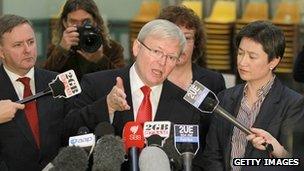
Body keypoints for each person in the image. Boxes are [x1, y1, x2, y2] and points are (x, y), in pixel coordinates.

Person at [66, 19, 202, 169]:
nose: (162, 62)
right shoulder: (97, 85)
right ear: (137, 47)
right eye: (156, 52)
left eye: (171, 57)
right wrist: (108, 106)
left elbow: (195, 162)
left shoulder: (185, 105)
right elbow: (68, 132)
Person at [202, 21, 304, 171]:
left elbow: (297, 163)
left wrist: (280, 152)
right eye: (241, 53)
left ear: (274, 61)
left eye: (252, 56)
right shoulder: (225, 97)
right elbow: (212, 155)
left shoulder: (293, 103)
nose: (242, 62)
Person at [0, 14, 72, 170]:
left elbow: (73, 127)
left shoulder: (57, 81)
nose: (27, 50)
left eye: (31, 42)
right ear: (1, 52)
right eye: (18, 45)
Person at [158, 5, 226, 170]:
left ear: (196, 43)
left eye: (187, 38)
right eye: (173, 37)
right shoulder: (150, 79)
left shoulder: (213, 80)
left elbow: (220, 135)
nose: (180, 45)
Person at [44, 0, 125, 80]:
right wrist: (62, 51)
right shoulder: (55, 48)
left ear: (95, 22)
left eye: (86, 22)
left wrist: (100, 60)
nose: (80, 27)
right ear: (65, 23)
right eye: (73, 22)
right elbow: (44, 79)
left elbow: (120, 81)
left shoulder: (113, 48)